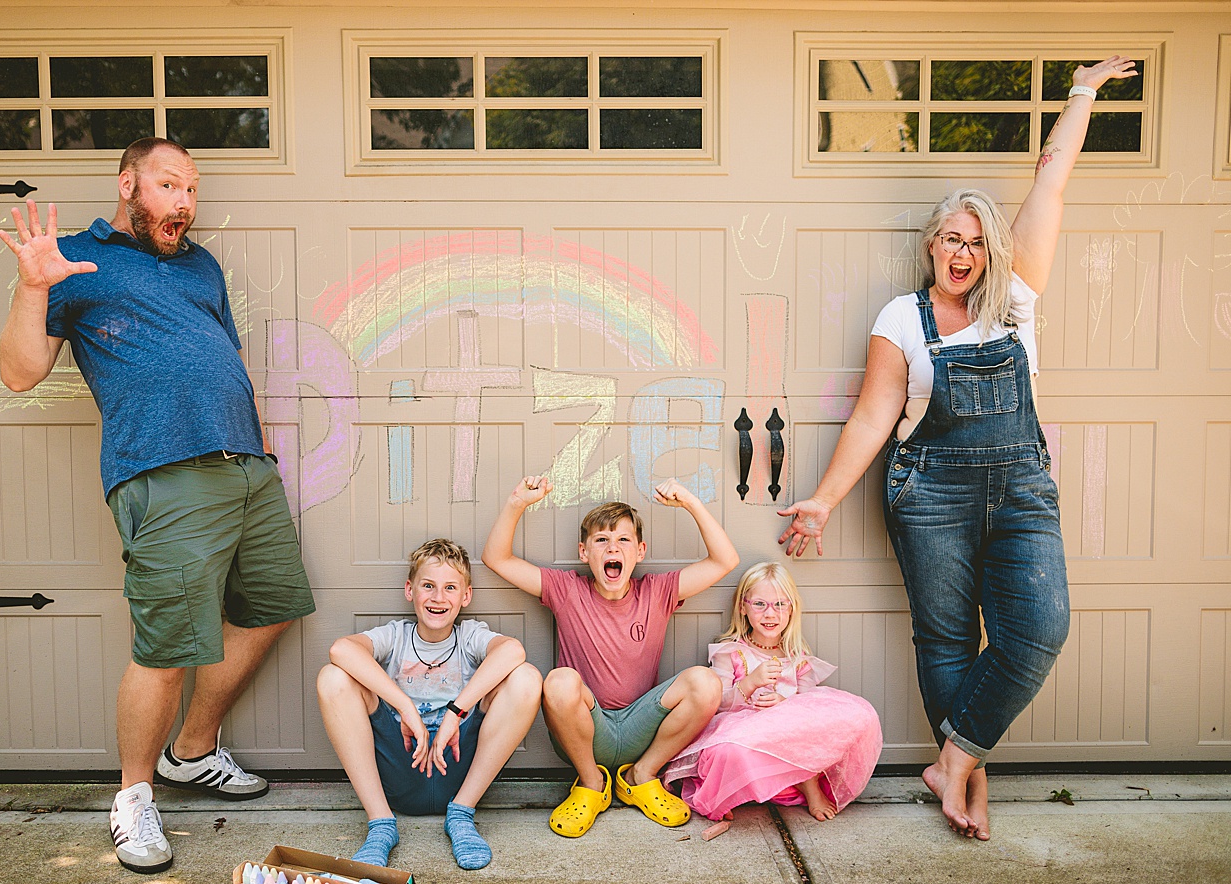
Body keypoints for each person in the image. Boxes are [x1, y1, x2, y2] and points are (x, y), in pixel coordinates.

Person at [777, 57, 1138, 840]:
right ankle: (967, 781)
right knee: (945, 639)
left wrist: (1081, 93)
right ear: (932, 246)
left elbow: (1053, 180)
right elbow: (874, 418)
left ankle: (953, 759)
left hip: (1019, 488)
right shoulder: (901, 319)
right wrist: (824, 500)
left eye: (976, 241)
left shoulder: (1015, 305)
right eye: (951, 239)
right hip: (928, 488)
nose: (963, 252)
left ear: (991, 250)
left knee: (1038, 627)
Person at [0, 138, 315, 873]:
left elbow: (221, 357)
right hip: (162, 472)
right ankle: (133, 799)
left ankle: (191, 750)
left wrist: (252, 445)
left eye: (192, 191)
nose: (184, 204)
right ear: (128, 183)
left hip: (245, 467)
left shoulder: (202, 266)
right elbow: (19, 374)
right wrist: (33, 287)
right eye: (168, 186)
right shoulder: (74, 260)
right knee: (166, 645)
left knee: (272, 606)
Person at [482, 476, 738, 837]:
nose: (612, 548)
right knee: (559, 681)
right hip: (586, 731)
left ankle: (641, 776)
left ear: (640, 551)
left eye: (623, 540)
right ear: (585, 552)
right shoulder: (566, 589)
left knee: (706, 682)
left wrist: (691, 503)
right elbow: (496, 558)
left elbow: (725, 560)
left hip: (641, 730)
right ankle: (591, 784)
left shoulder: (658, 592)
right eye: (601, 540)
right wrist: (516, 502)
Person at [316, 539, 542, 870]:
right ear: (410, 590)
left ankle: (462, 815)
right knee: (332, 678)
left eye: (450, 587)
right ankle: (381, 825)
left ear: (466, 596)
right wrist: (406, 707)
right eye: (428, 586)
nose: (438, 597)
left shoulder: (469, 637)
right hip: (402, 764)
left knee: (526, 677)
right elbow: (341, 650)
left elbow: (513, 652)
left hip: (457, 762)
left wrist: (454, 714)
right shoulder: (395, 636)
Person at [662, 562, 882, 821]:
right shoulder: (731, 652)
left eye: (780, 604)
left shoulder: (796, 657)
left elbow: (811, 711)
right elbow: (717, 704)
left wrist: (785, 703)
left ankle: (808, 784)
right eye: (759, 604)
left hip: (785, 738)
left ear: (791, 609)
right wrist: (749, 683)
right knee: (725, 752)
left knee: (843, 718)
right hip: (740, 732)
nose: (770, 614)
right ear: (743, 607)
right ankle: (728, 792)